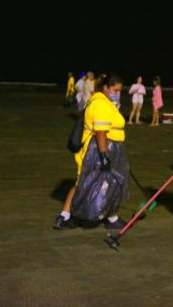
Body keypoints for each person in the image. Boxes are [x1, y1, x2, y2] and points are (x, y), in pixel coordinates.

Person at [54, 74, 129, 230]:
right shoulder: (100, 104)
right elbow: (101, 132)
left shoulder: (106, 102)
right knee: (83, 182)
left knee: (112, 182)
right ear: (106, 88)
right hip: (96, 150)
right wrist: (104, 156)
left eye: (120, 91)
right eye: (115, 90)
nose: (118, 93)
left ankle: (111, 217)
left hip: (108, 148)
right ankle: (65, 216)